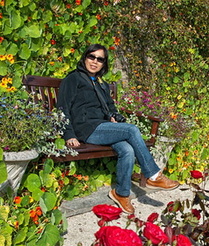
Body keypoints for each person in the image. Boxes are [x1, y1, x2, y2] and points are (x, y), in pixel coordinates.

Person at [57, 44, 179, 214]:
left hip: (102, 127)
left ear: (103, 64)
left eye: (100, 59)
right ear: (85, 57)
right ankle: (153, 175)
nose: (95, 61)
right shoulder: (74, 79)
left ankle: (121, 193)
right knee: (131, 130)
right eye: (92, 57)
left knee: (127, 149)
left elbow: (110, 106)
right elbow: (63, 107)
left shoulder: (100, 83)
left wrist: (114, 117)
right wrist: (68, 134)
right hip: (85, 129)